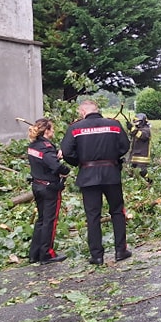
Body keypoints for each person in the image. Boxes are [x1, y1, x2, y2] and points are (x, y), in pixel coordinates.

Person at [60, 100, 132, 266]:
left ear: (83, 112)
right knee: (117, 212)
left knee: (93, 216)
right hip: (111, 173)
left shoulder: (75, 128)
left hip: (88, 175)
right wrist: (113, 157)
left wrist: (79, 162)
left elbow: (66, 152)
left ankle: (97, 255)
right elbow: (125, 146)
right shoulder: (114, 125)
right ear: (97, 110)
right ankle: (120, 251)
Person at [27, 117, 71, 264]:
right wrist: (66, 170)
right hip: (49, 188)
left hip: (37, 185)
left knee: (41, 219)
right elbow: (55, 166)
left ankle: (34, 254)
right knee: (49, 221)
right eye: (52, 129)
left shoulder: (33, 146)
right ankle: (47, 253)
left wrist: (55, 154)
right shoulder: (46, 148)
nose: (53, 131)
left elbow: (44, 160)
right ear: (46, 131)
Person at [128, 113, 152, 178]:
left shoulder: (146, 130)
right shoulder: (138, 129)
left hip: (142, 158)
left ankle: (149, 183)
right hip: (135, 157)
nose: (136, 124)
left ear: (142, 121)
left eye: (137, 122)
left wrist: (132, 129)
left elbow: (141, 135)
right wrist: (130, 129)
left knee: (143, 174)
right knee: (131, 175)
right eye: (135, 122)